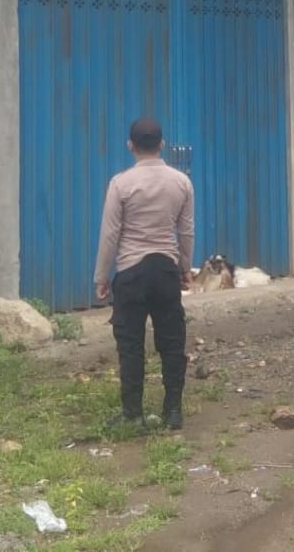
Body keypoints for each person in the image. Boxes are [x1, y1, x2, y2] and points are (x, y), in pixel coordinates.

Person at [94, 117, 194, 431]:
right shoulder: (181, 182)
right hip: (165, 270)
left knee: (130, 345)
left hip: (131, 272)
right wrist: (184, 268)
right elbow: (186, 231)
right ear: (162, 144)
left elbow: (110, 234)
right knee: (172, 342)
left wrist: (101, 276)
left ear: (130, 145)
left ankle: (132, 414)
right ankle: (172, 411)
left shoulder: (120, 184)